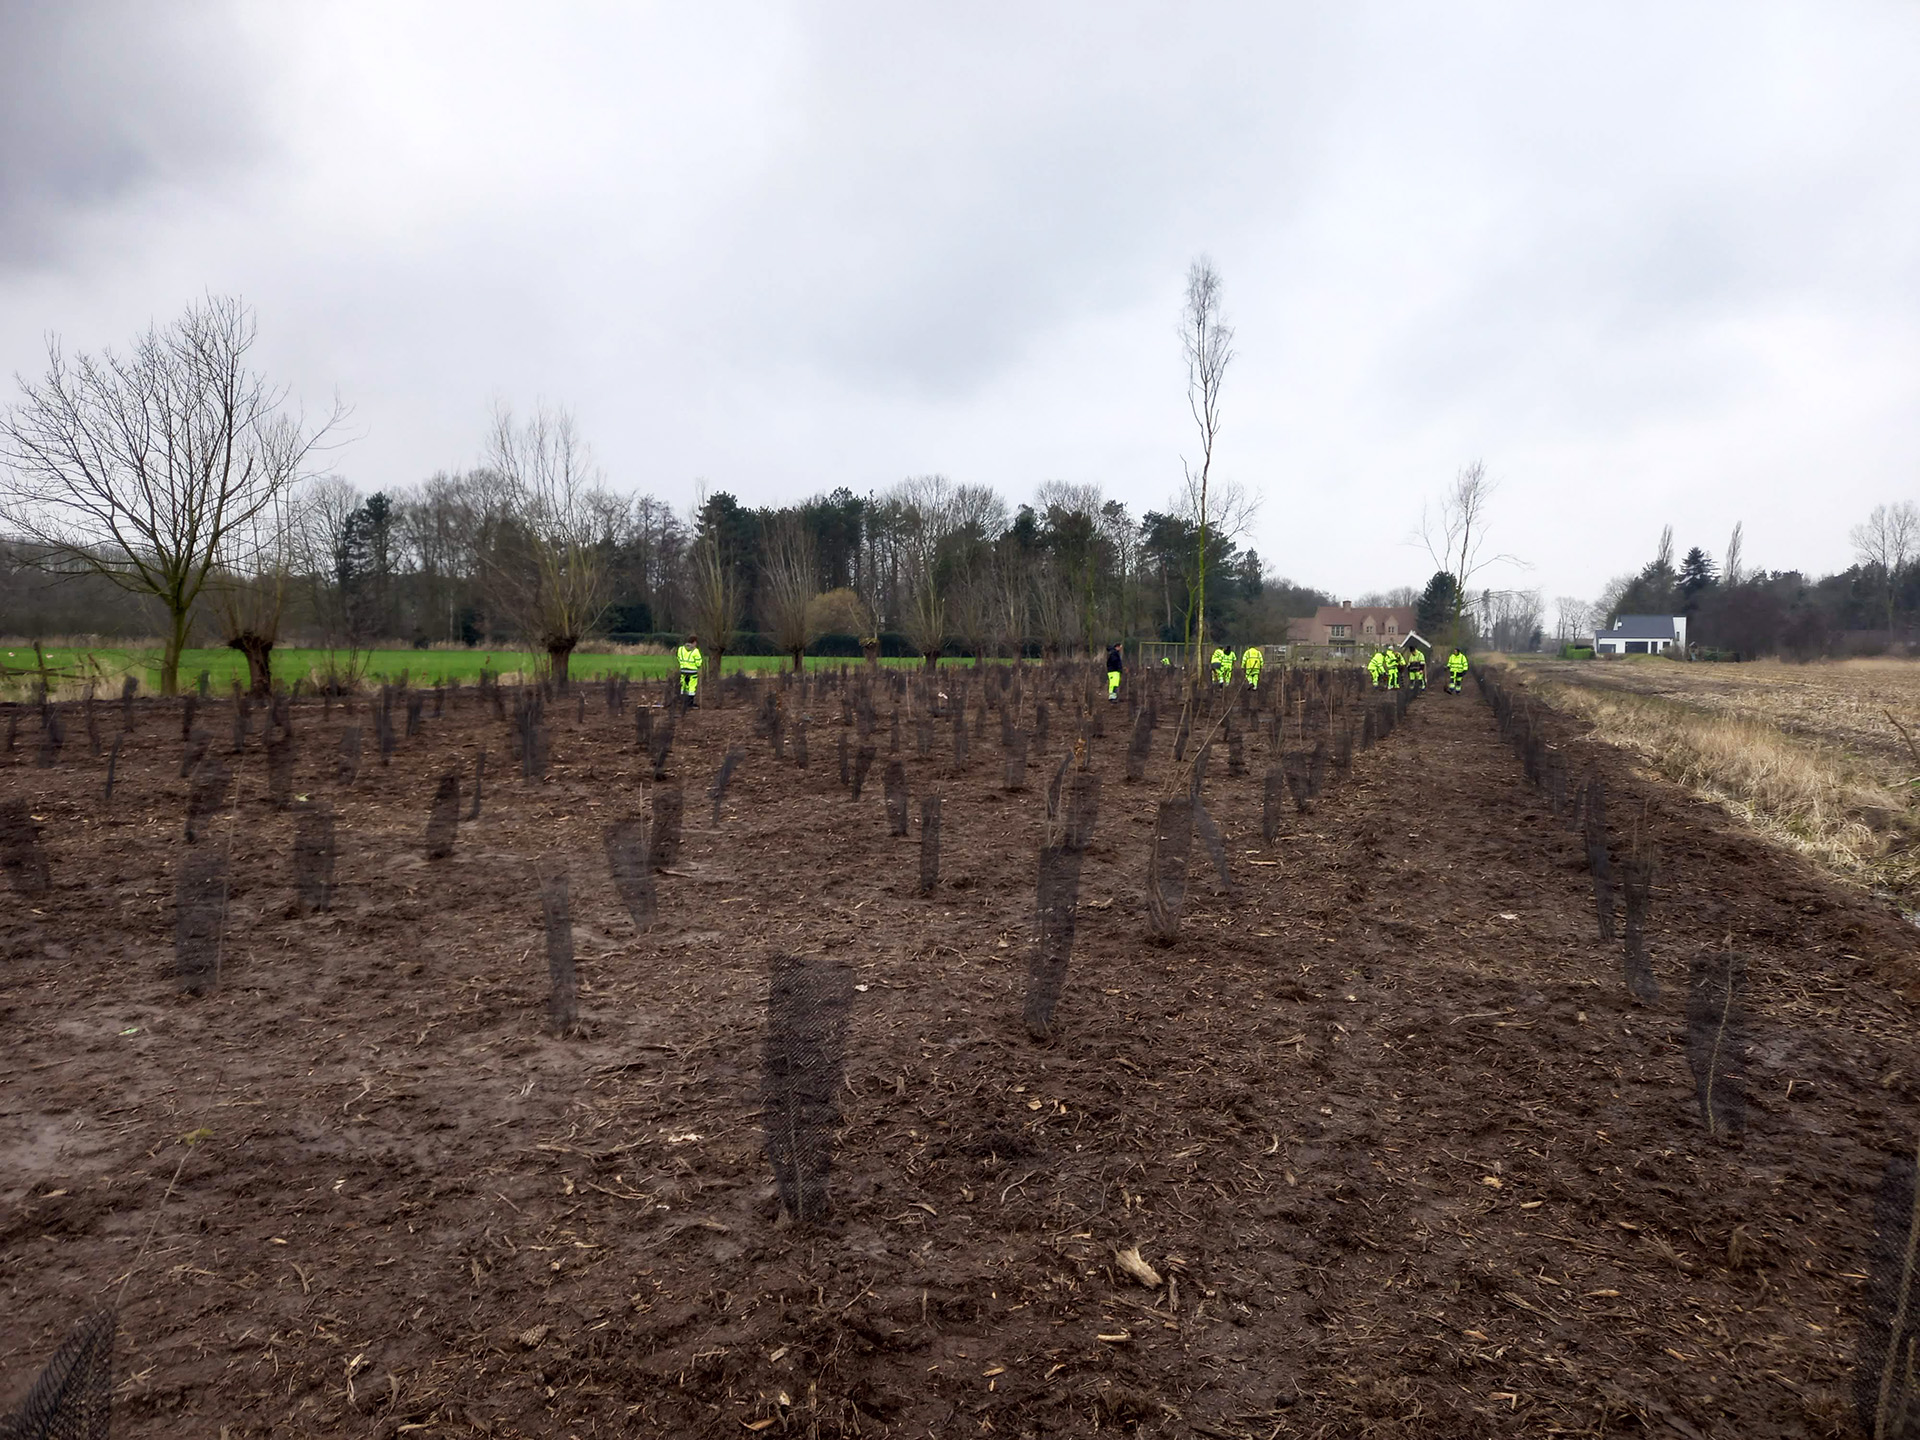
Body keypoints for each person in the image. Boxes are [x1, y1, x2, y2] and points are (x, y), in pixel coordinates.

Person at [676, 632, 702, 705]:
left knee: (684, 686)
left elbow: (679, 658)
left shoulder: (680, 649)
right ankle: (690, 703)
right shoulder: (695, 651)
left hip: (683, 671)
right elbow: (698, 663)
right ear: (694, 642)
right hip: (692, 672)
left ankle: (683, 702)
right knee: (692, 687)